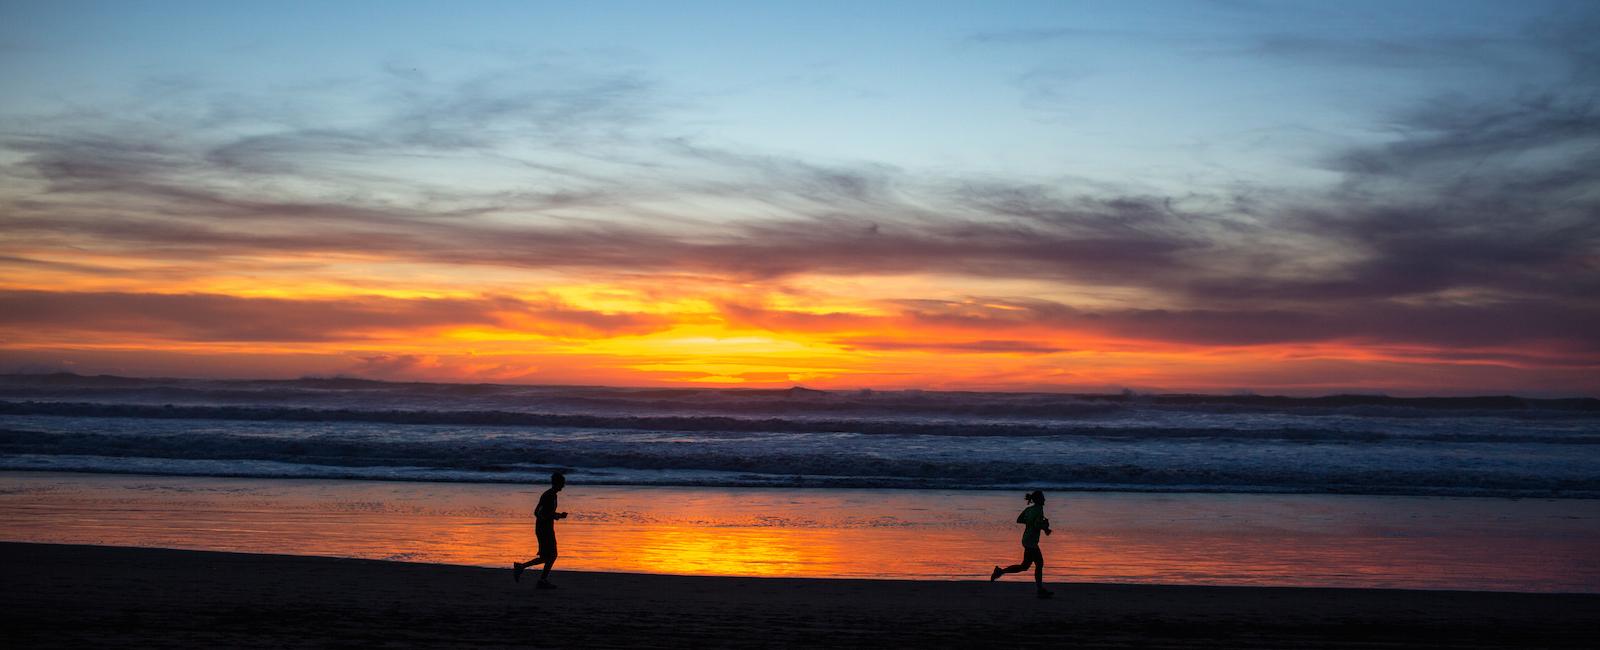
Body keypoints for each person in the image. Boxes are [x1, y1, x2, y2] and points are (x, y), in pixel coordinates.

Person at [990, 489, 1054, 598]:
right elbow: (1036, 525)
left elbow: (1019, 519)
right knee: (1039, 564)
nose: (1045, 499)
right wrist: (1044, 526)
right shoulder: (1039, 509)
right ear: (1039, 499)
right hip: (1031, 541)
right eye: (1043, 497)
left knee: (1024, 566)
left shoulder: (1029, 509)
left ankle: (1000, 571)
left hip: (1026, 539)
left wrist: (1034, 523)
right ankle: (1040, 590)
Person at [513, 471, 569, 589]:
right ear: (557, 483)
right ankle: (539, 578)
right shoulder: (549, 495)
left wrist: (557, 515)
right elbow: (538, 512)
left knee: (547, 556)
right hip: (544, 530)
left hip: (546, 528)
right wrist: (553, 516)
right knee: (552, 555)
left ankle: (524, 569)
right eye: (562, 483)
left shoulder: (552, 494)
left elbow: (545, 513)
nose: (563, 486)